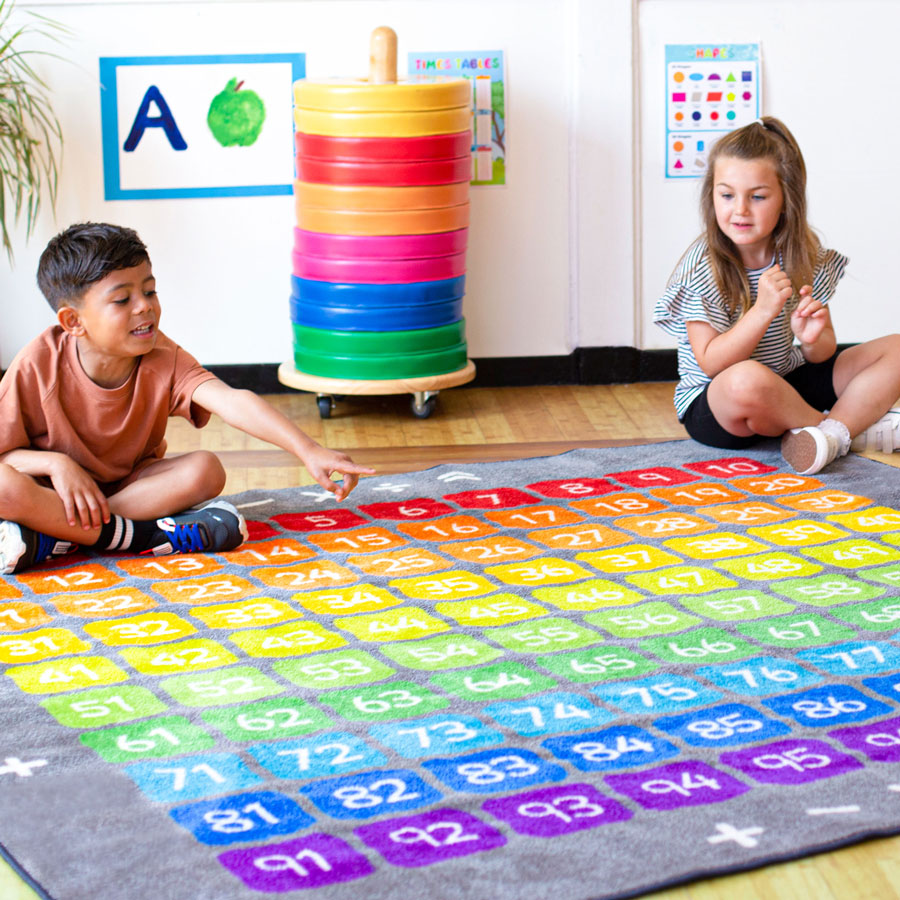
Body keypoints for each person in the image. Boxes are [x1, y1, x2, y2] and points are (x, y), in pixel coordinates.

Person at [0, 222, 376, 574]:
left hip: (133, 491)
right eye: (122, 300)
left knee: (205, 469)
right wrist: (56, 465)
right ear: (73, 322)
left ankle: (56, 537)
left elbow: (231, 400)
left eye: (149, 291)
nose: (144, 306)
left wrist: (308, 450)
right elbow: (6, 456)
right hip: (57, 492)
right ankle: (141, 535)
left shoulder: (163, 356)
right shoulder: (38, 363)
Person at [654, 116, 900, 475]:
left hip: (786, 378)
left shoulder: (801, 253)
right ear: (712, 197)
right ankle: (850, 432)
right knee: (747, 378)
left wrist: (813, 338)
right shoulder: (703, 268)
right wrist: (762, 310)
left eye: (757, 197)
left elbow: (820, 353)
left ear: (785, 199)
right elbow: (711, 362)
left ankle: (828, 434)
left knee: (895, 348)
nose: (739, 209)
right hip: (718, 403)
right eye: (726, 195)